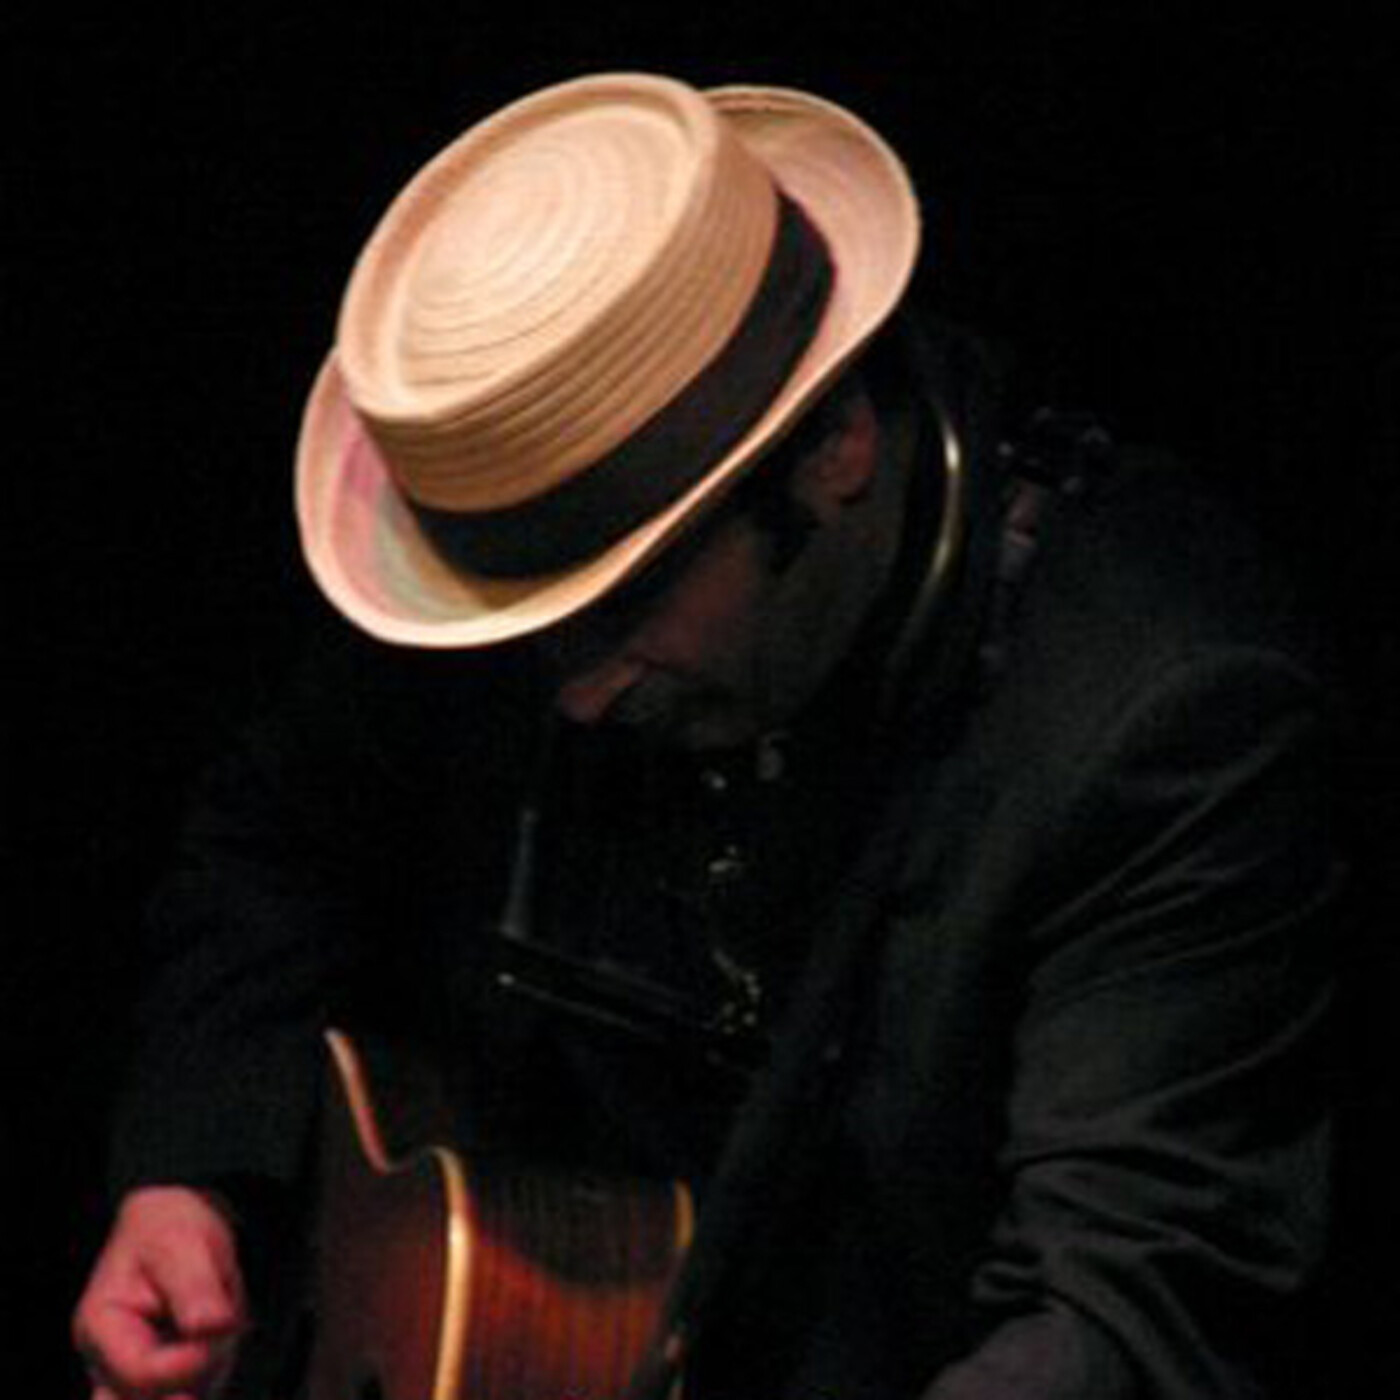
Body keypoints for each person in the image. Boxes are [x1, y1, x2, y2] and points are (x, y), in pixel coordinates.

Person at [72, 72, 1341, 1400]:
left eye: (624, 609)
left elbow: (1123, 1320)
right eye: (535, 635)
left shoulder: (1158, 717)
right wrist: (192, 1176)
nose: (573, 693)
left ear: (834, 446)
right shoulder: (518, 548)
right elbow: (279, 832)